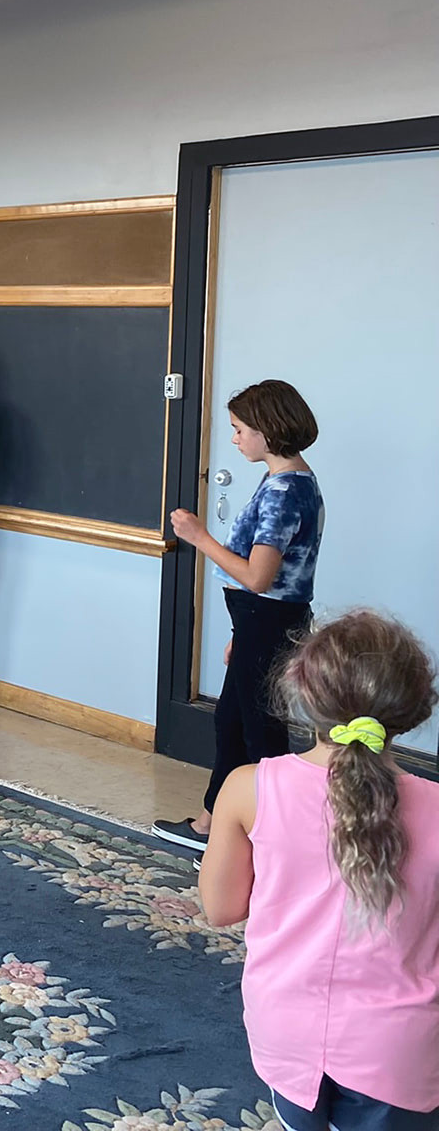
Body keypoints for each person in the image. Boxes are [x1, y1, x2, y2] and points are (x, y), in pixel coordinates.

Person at [198, 611, 438, 1131]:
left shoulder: (246, 787)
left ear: (300, 692)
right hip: (400, 1050)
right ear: (414, 705)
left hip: (285, 1031)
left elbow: (220, 909)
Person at [156, 379, 325, 852]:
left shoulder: (284, 491)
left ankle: (272, 842)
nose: (234, 439)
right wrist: (242, 632)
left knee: (261, 735)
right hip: (261, 623)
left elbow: (258, 577)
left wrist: (198, 536)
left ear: (267, 430)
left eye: (239, 429)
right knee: (231, 723)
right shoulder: (290, 481)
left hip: (267, 618)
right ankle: (210, 824)